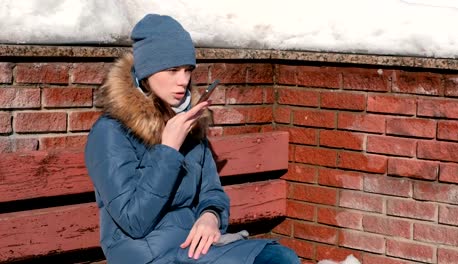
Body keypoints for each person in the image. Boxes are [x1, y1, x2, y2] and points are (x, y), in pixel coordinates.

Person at [85, 13, 300, 264]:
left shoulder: (190, 122)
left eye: (188, 70)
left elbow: (212, 192)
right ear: (146, 72)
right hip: (146, 255)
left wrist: (210, 216)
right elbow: (134, 221)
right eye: (172, 70)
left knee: (278, 257)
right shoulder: (110, 132)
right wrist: (168, 150)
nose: (183, 80)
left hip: (194, 248)